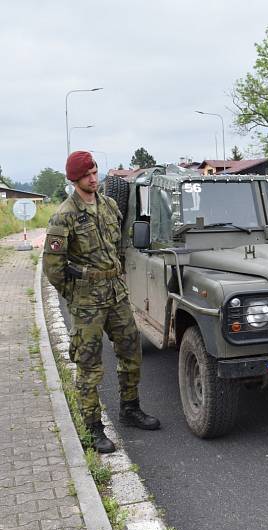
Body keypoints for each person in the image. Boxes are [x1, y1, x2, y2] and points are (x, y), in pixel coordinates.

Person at [43, 151, 160, 453]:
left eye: (95, 172)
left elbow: (116, 247)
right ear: (75, 179)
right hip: (87, 302)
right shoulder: (64, 215)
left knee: (131, 351)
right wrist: (75, 295)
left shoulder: (109, 206)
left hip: (116, 294)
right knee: (89, 364)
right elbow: (53, 268)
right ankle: (93, 427)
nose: (93, 179)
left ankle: (130, 408)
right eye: (86, 175)